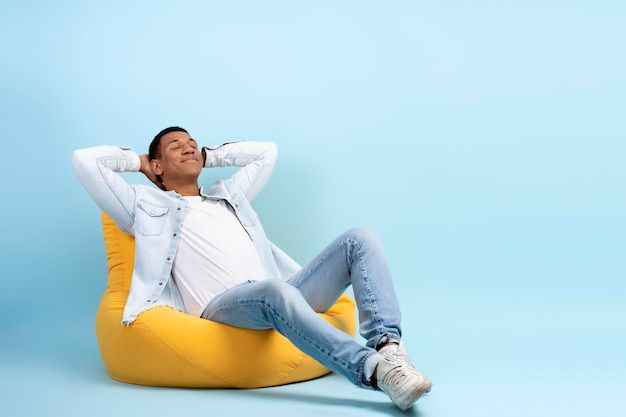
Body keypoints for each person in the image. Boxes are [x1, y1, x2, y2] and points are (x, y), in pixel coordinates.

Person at [72, 126, 433, 410]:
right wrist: (139, 162)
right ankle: (373, 371)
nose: (188, 147)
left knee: (360, 238)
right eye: (174, 146)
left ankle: (388, 348)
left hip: (280, 293)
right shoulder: (143, 205)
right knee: (274, 292)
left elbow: (266, 153)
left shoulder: (228, 196)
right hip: (221, 307)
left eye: (192, 142)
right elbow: (85, 162)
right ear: (156, 166)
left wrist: (208, 156)